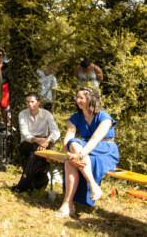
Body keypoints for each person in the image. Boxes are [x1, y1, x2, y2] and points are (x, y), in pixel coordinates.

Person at [56, 86, 119, 218]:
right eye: (77, 97)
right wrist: (68, 153)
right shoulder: (75, 117)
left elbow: (95, 139)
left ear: (90, 99)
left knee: (74, 145)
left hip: (105, 150)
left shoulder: (105, 117)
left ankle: (89, 187)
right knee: (69, 161)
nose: (78, 100)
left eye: (81, 98)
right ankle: (68, 203)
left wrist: (79, 155)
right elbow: (67, 137)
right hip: (84, 149)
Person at [12, 92, 60, 192]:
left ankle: (46, 172)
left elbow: (55, 131)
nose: (30, 104)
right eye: (28, 102)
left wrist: (47, 140)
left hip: (43, 141)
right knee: (37, 146)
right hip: (27, 143)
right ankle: (51, 171)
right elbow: (25, 134)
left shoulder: (47, 114)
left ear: (39, 102)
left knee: (50, 143)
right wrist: (38, 140)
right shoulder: (22, 114)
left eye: (32, 102)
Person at [0, 49, 10, 125]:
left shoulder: (6, 66)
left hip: (4, 88)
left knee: (3, 107)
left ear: (2, 56)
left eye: (0, 55)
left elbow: (8, 78)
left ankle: (6, 123)